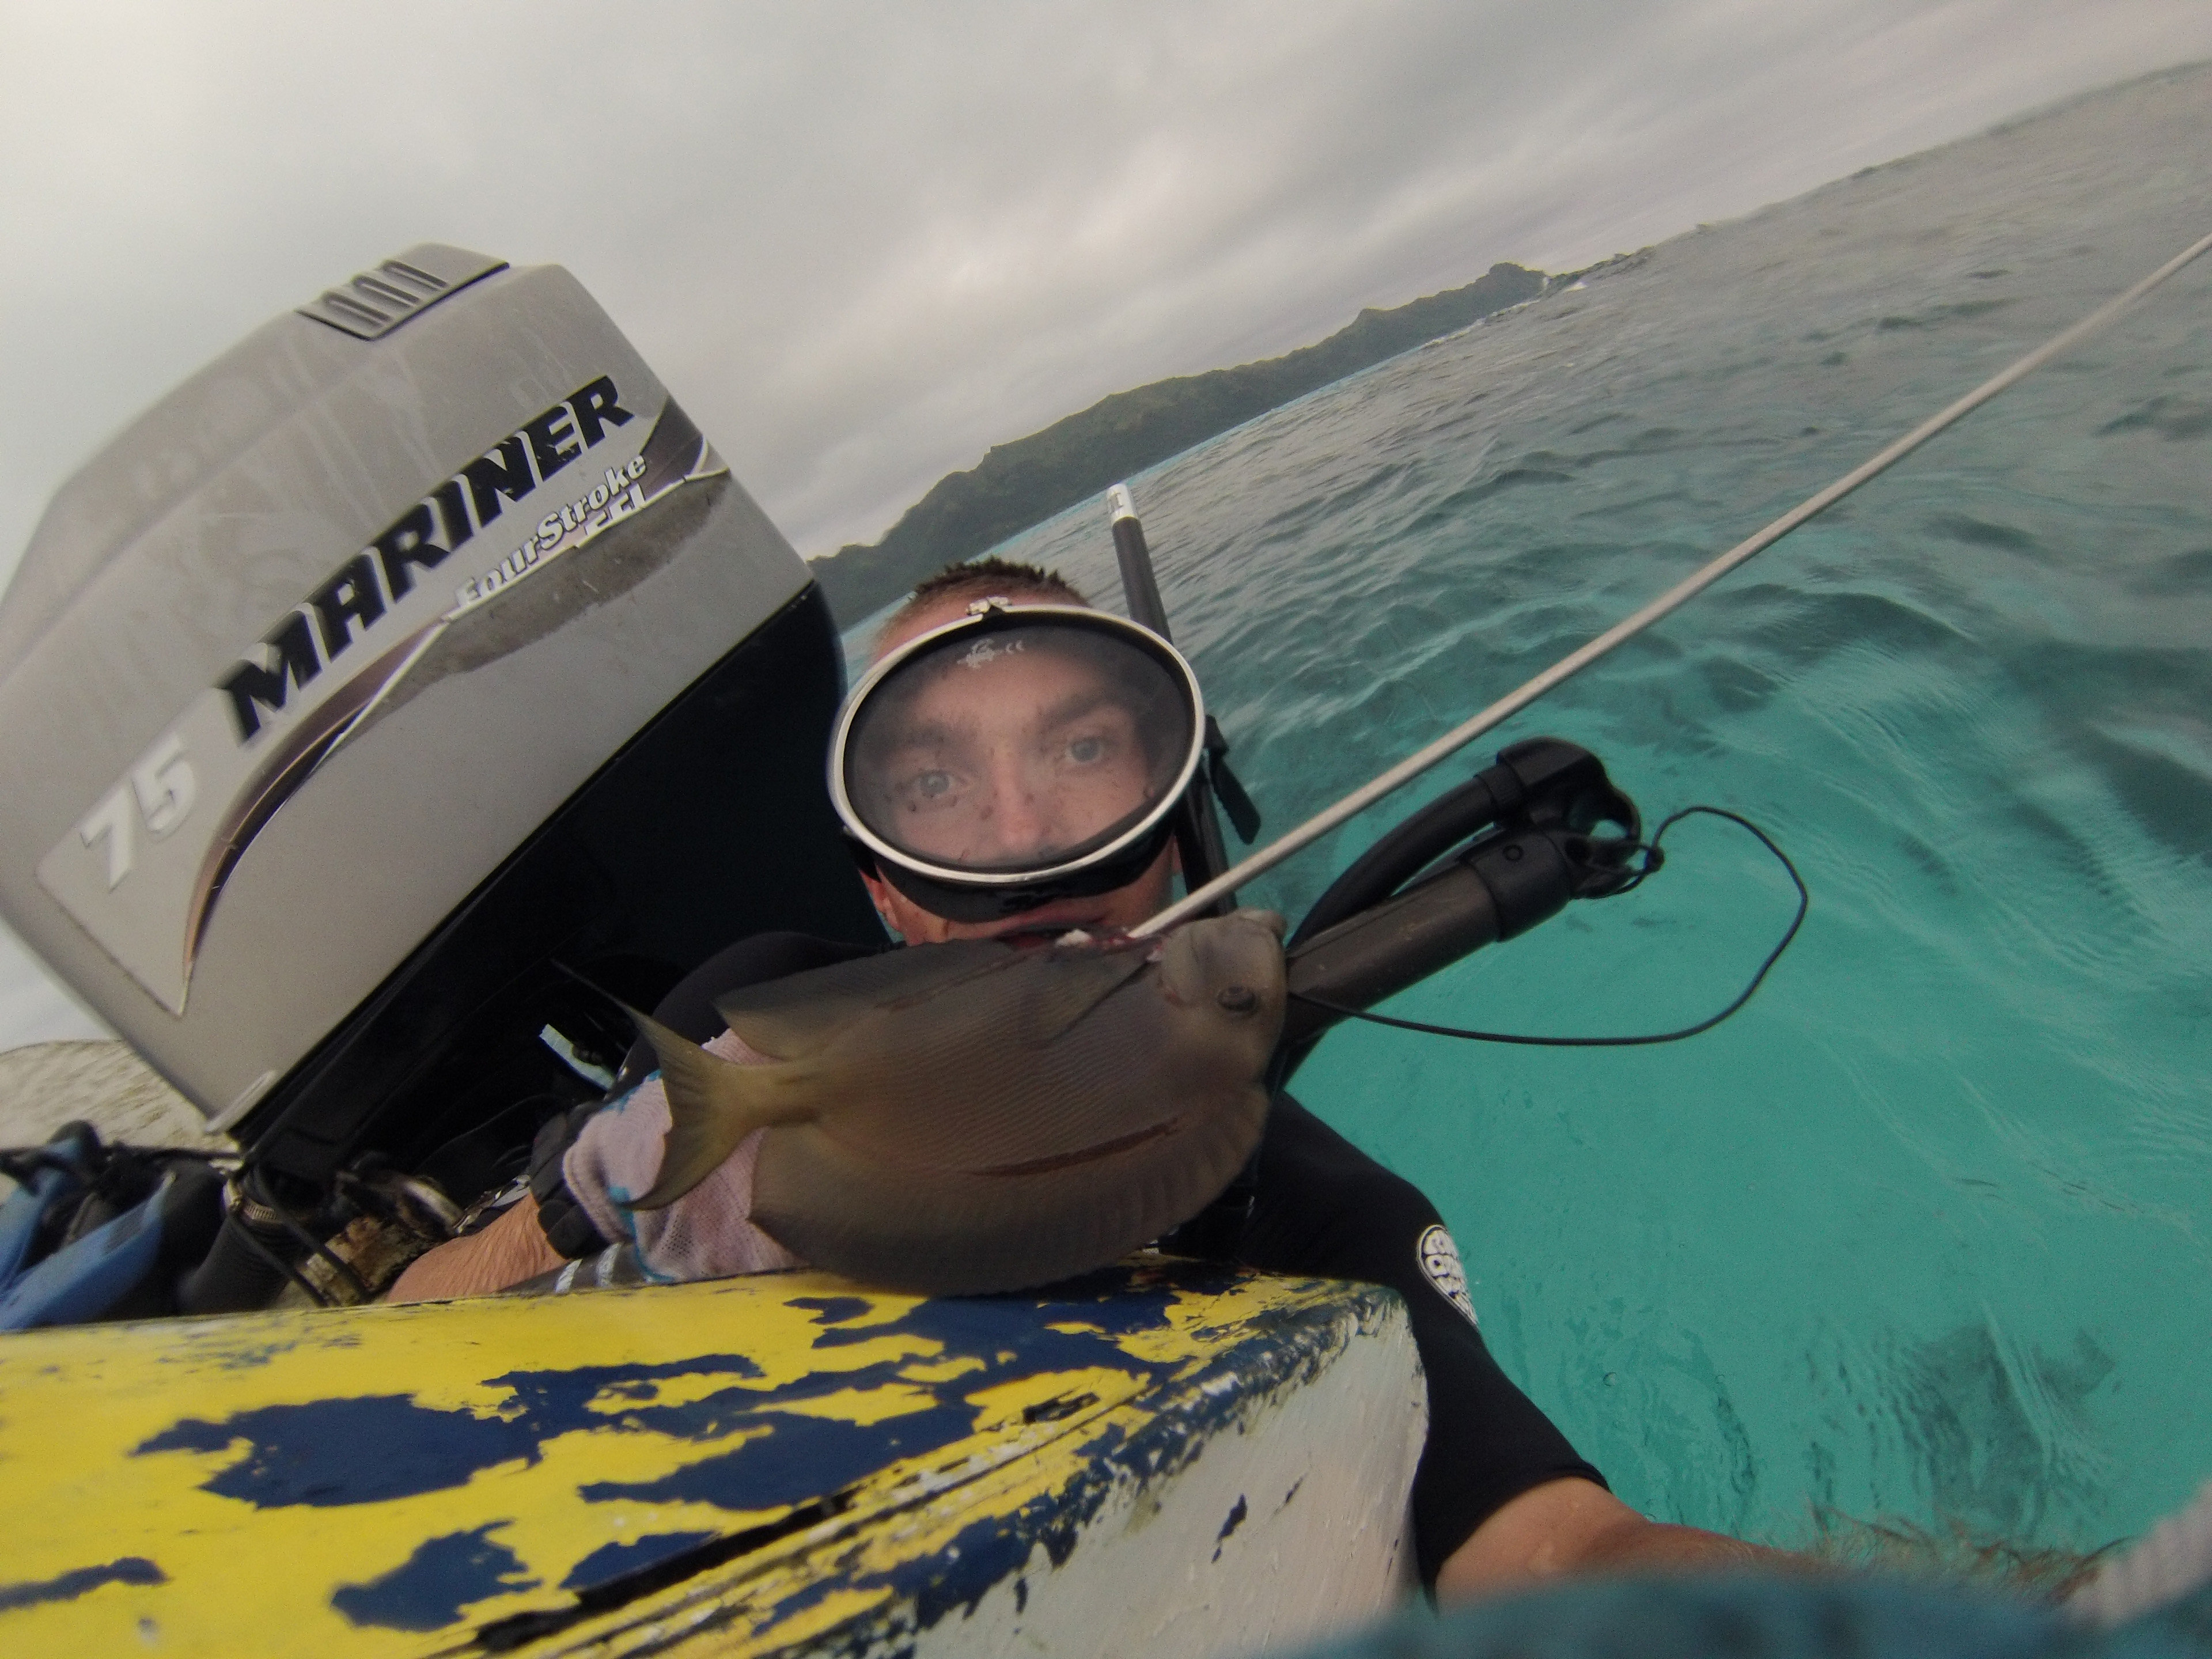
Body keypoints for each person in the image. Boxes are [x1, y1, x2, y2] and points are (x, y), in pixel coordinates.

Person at [391, 556, 1791, 1600]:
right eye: (936, 782)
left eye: (1080, 751)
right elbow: (414, 1316)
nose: (1024, 834)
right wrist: (601, 1189)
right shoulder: (756, 1019)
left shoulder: (1297, 1208)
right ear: (886, 887)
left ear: (1172, 825)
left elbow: (1554, 1552)